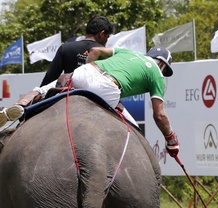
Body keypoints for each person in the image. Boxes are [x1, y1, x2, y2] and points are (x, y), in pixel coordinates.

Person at [0, 46, 180, 158]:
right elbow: (159, 114)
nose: (163, 75)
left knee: (46, 88)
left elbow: (95, 51)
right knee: (133, 131)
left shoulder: (129, 52)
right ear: (162, 65)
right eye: (165, 71)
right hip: (108, 87)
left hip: (86, 70)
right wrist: (171, 140)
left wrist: (88, 71)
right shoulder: (156, 74)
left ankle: (22, 105)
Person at [40, 15, 114, 86]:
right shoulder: (107, 54)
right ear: (101, 34)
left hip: (67, 92)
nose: (106, 41)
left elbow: (50, 78)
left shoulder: (65, 47)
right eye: (107, 37)